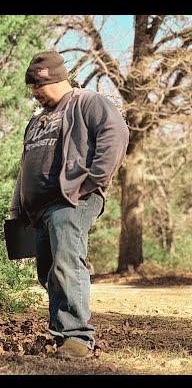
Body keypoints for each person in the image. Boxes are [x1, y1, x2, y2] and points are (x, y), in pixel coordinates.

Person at [10, 51, 129, 359]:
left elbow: (115, 134)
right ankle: (61, 334)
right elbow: (26, 164)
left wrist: (92, 181)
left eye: (38, 86)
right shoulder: (37, 120)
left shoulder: (86, 102)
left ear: (56, 79)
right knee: (48, 271)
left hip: (72, 199)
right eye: (32, 87)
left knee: (66, 265)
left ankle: (77, 338)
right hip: (40, 209)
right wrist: (19, 206)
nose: (35, 93)